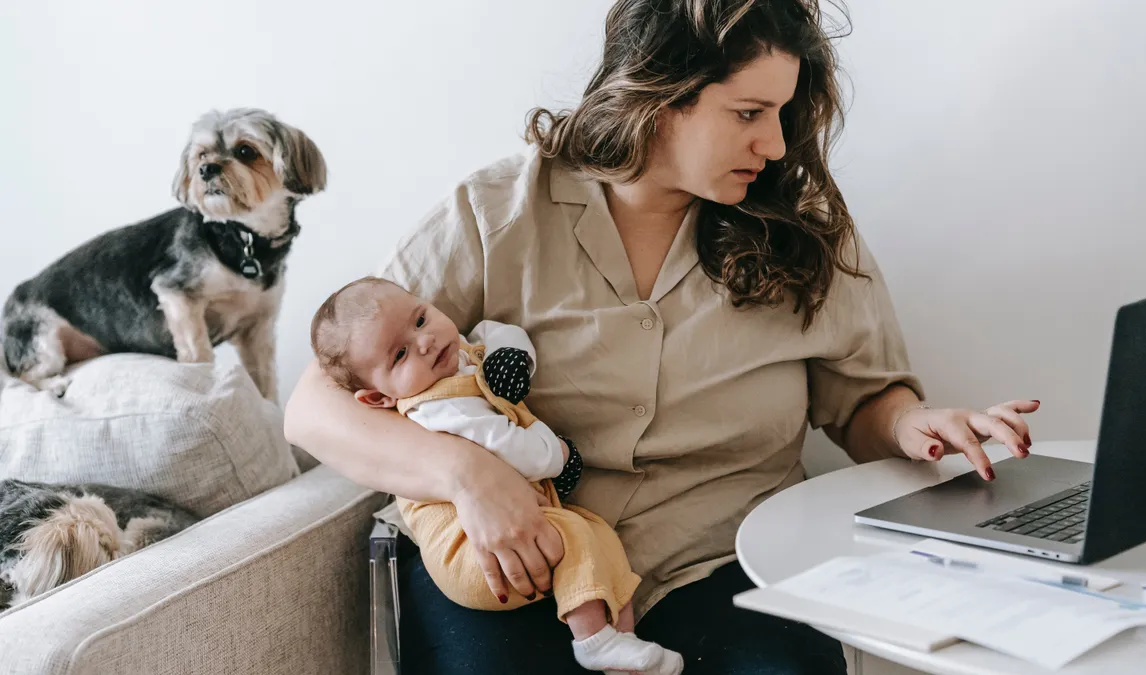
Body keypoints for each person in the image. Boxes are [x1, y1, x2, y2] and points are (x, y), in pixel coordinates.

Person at [284, 0, 1039, 672]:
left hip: (723, 563)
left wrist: (915, 425)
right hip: (517, 563)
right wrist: (464, 474)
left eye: (781, 113)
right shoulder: (497, 212)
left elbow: (863, 403)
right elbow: (315, 408)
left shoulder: (801, 228)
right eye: (748, 113)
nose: (776, 145)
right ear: (660, 96)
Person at [308, 276, 683, 674]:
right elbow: (515, 449)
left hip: (516, 521)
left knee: (599, 536)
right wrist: (558, 454)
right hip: (471, 551)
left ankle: (621, 647)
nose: (425, 342)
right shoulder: (438, 408)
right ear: (378, 398)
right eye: (400, 354)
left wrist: (512, 356)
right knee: (575, 539)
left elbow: (494, 331)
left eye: (420, 320)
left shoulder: (459, 355)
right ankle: (593, 641)